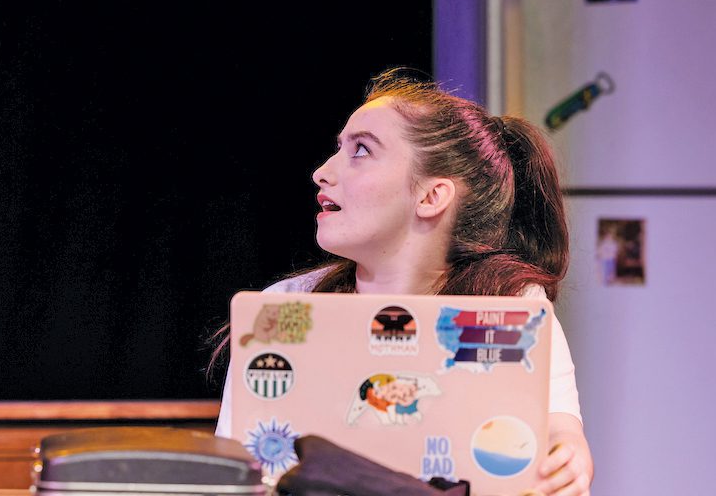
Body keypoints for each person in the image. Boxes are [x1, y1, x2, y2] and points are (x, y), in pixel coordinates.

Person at [215, 71, 594, 496]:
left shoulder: (509, 309)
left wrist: (569, 454)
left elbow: (558, 429)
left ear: (431, 196)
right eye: (338, 148)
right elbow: (238, 466)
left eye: (360, 150)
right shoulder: (284, 307)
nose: (322, 172)